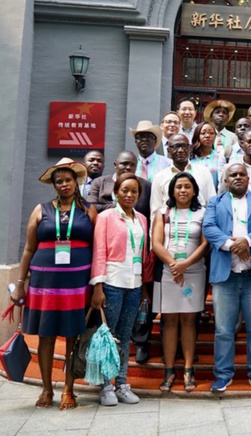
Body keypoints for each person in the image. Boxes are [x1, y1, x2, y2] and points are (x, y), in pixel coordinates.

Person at [10, 158, 97, 410]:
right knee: (46, 336)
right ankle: (47, 390)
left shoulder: (88, 210)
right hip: (44, 282)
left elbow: (97, 248)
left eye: (68, 180)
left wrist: (96, 283)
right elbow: (28, 249)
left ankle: (69, 390)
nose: (64, 184)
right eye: (59, 181)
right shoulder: (41, 209)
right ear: (54, 185)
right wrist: (19, 283)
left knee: (73, 336)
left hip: (78, 282)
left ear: (76, 181)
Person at [203, 163, 251, 393]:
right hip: (226, 276)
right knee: (223, 329)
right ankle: (223, 375)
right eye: (233, 174)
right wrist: (232, 245)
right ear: (225, 180)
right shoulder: (216, 201)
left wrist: (248, 241)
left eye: (242, 174)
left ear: (248, 178)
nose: (237, 177)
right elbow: (209, 227)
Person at [90, 173, 153, 406]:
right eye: (125, 190)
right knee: (109, 335)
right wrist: (98, 286)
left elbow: (144, 255)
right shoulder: (106, 217)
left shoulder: (142, 219)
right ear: (116, 192)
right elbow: (99, 251)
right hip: (112, 282)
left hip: (134, 284)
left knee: (126, 335)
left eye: (134, 191)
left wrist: (145, 288)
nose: (129, 195)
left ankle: (122, 383)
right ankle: (105, 385)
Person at [152, 172, 208, 392]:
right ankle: (168, 370)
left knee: (188, 320)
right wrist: (174, 265)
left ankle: (187, 369)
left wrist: (184, 265)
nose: (183, 191)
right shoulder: (162, 212)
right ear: (172, 191)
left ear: (194, 190)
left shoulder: (203, 213)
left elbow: (205, 244)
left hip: (193, 272)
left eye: (187, 187)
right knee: (169, 320)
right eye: (178, 187)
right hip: (168, 272)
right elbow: (156, 243)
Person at [150, 133, 216, 219]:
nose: (180, 150)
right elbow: (155, 212)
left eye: (184, 146)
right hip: (170, 228)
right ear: (168, 150)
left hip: (199, 227)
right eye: (176, 146)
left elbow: (211, 205)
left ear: (189, 149)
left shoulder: (203, 172)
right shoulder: (160, 177)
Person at [87, 151, 152, 220]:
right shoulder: (99, 182)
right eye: (124, 164)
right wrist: (117, 206)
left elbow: (150, 213)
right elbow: (90, 206)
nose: (128, 167)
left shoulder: (146, 186)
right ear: (115, 164)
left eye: (132, 165)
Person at [190, 121, 224, 191]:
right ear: (197, 135)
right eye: (203, 133)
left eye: (211, 133)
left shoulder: (219, 157)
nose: (208, 136)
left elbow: (222, 182)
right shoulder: (190, 157)